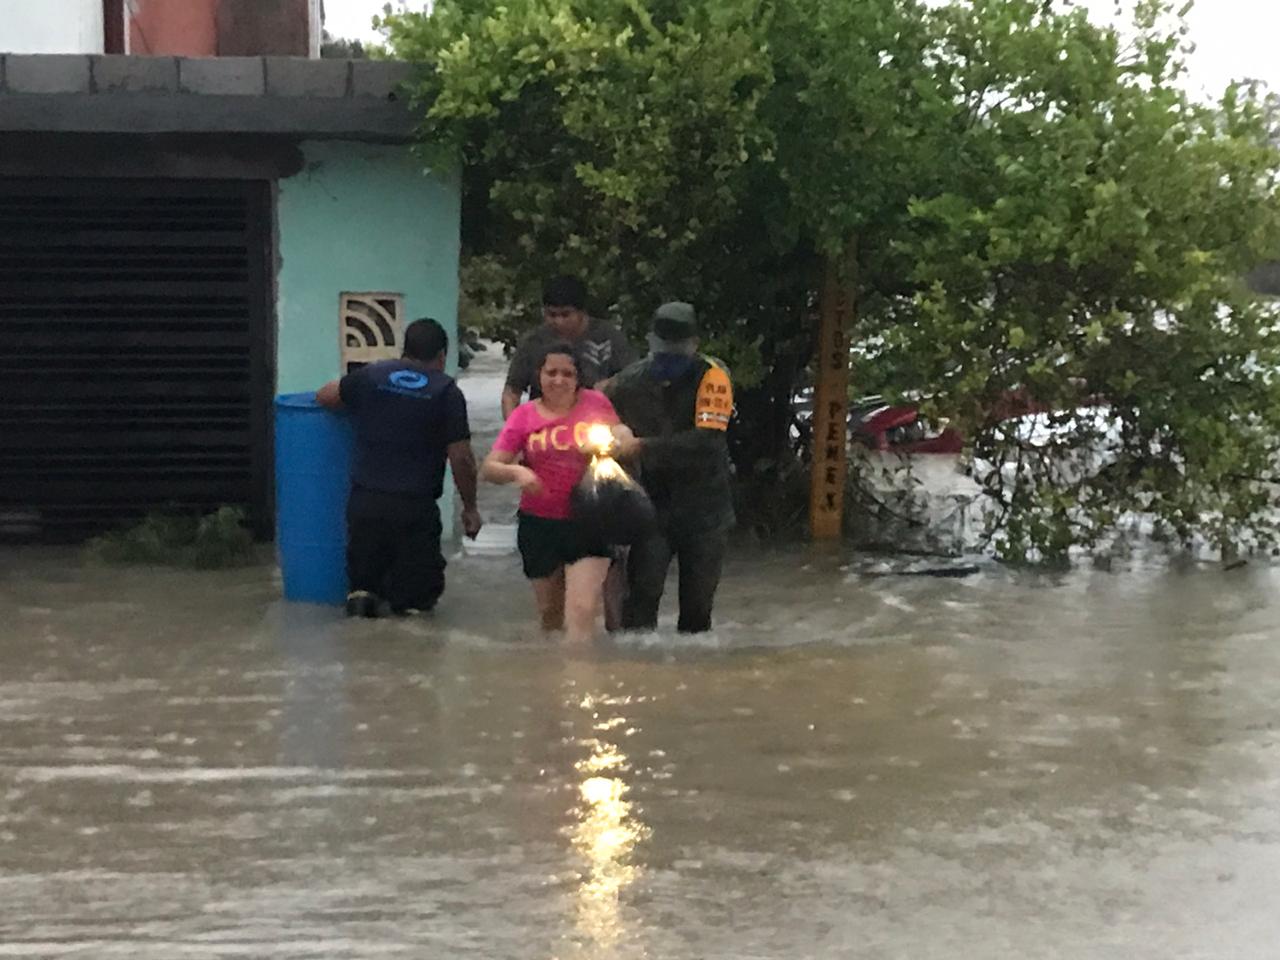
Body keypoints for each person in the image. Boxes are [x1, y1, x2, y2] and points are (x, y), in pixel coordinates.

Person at [316, 318, 481, 618]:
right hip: (414, 510)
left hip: (366, 504)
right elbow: (461, 458)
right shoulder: (446, 392)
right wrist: (470, 508)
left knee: (362, 595)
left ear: (404, 350)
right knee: (415, 606)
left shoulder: (371, 376)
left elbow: (324, 396)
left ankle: (359, 651)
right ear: (442, 356)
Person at [482, 342, 632, 643]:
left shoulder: (596, 404)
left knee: (582, 609)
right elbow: (489, 468)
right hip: (539, 523)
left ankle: (581, 681)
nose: (559, 380)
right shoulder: (524, 416)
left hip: (590, 519)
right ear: (539, 376)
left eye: (568, 373)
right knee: (551, 615)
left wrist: (618, 441)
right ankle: (553, 681)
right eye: (551, 372)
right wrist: (517, 472)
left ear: (579, 377)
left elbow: (623, 435)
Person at [606, 302, 735, 633]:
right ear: (650, 343)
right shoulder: (628, 383)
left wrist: (642, 446)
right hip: (651, 506)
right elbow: (598, 412)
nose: (669, 364)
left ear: (694, 346)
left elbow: (708, 439)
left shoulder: (714, 377)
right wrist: (614, 430)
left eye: (677, 356)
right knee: (640, 601)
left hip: (707, 508)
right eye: (663, 355)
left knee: (697, 608)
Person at [501, 275, 636, 419]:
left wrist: (611, 385)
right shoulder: (533, 342)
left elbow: (634, 378)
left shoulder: (609, 337)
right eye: (552, 315)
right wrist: (514, 430)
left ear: (582, 312)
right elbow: (512, 393)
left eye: (565, 314)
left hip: (598, 421)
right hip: (545, 424)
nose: (558, 321)